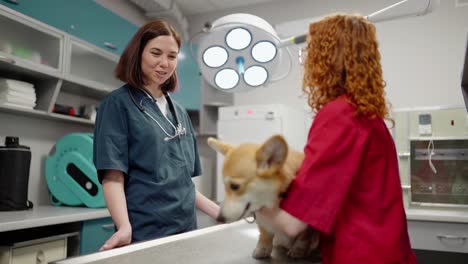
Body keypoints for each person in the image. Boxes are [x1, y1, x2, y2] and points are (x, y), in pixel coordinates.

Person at [259, 14, 417, 263]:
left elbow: (293, 224)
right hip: (389, 252)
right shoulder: (368, 115)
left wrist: (249, 199)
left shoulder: (339, 115)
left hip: (359, 254)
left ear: (326, 58)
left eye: (311, 51)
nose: (306, 61)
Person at [93, 20, 220, 251]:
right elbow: (113, 177)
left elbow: (183, 184)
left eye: (172, 56)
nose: (164, 63)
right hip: (145, 231)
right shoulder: (117, 105)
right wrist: (123, 227)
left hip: (186, 229)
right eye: (155, 53)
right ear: (138, 53)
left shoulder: (179, 112)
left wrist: (220, 213)